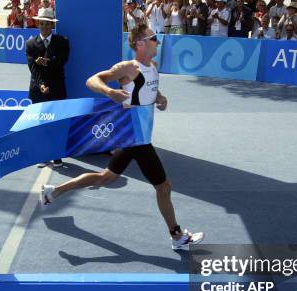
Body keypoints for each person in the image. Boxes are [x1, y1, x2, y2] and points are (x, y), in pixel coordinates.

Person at [39, 25, 204, 251]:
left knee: (105, 178)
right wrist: (110, 92)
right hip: (137, 138)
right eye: (154, 38)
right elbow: (92, 80)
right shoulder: (127, 67)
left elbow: (149, 92)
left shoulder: (153, 67)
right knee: (163, 187)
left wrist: (161, 98)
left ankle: (53, 191)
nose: (158, 41)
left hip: (135, 137)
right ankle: (177, 236)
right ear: (140, 44)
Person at [25, 8, 69, 168]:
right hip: (38, 90)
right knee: (40, 124)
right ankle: (43, 155)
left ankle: (57, 156)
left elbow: (62, 62)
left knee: (57, 123)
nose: (44, 26)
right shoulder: (30, 44)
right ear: (38, 24)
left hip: (57, 89)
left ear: (52, 25)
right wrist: (42, 84)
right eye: (41, 23)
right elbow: (33, 68)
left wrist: (46, 61)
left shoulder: (63, 41)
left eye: (47, 24)